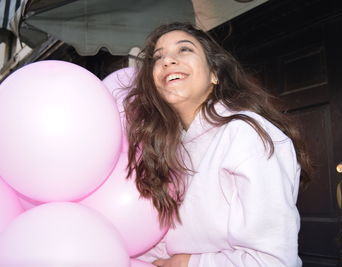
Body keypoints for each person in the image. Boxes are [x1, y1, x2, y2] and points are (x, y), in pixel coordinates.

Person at [123, 22, 311, 267]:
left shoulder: (246, 134)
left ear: (214, 74)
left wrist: (187, 263)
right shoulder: (167, 148)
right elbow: (166, 239)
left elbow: (273, 261)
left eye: (184, 50)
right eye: (158, 57)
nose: (167, 61)